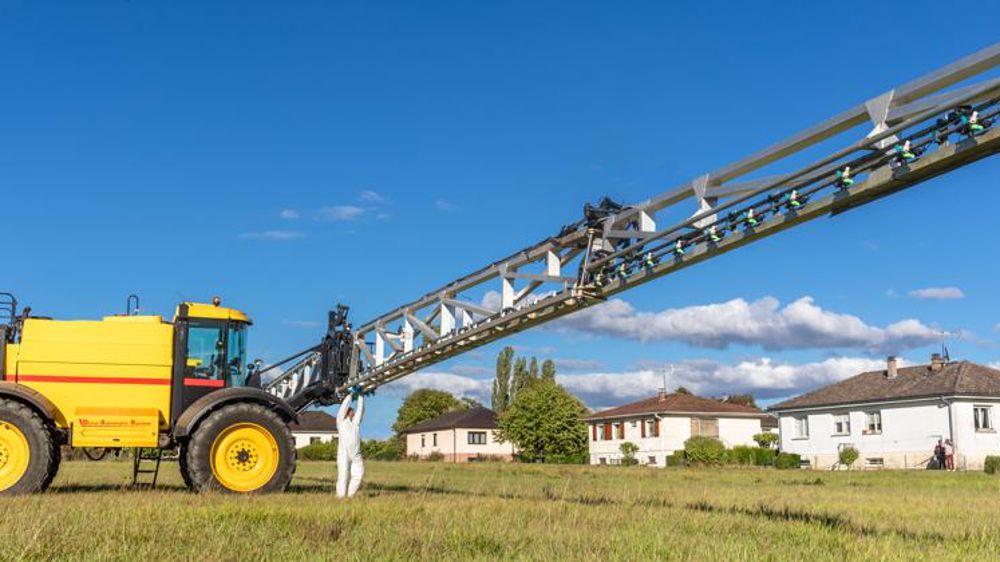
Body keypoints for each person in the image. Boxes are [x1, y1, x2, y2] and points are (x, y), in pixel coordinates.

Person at [336, 389, 365, 498]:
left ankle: (350, 495)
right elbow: (342, 409)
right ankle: (340, 496)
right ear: (348, 413)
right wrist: (350, 395)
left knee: (359, 474)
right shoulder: (341, 422)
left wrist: (361, 397)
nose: (354, 412)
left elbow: (360, 410)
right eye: (351, 411)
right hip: (344, 454)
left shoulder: (355, 423)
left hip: (356, 454)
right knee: (343, 475)